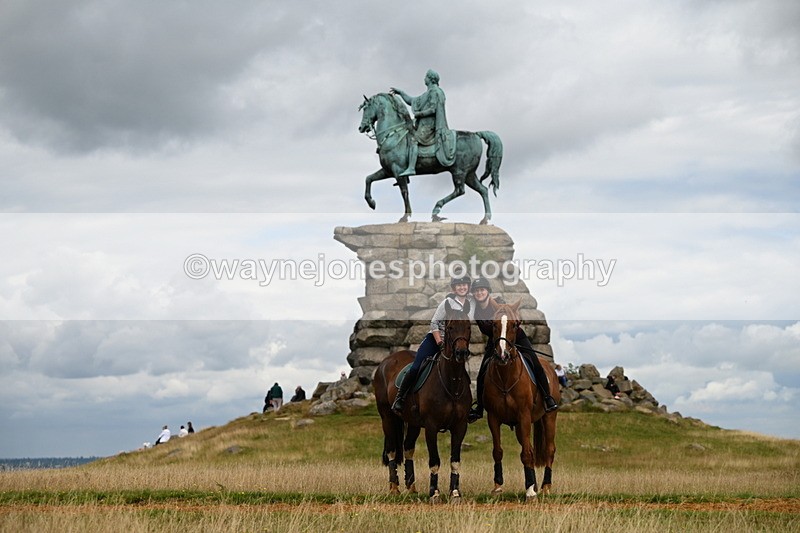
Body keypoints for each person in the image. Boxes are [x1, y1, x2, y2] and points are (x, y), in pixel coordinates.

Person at [468, 277, 558, 423]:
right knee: (482, 373)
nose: (479, 293)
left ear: (487, 291)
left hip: (515, 338)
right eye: (476, 291)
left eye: (482, 290)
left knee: (535, 363)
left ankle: (547, 398)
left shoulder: (498, 302)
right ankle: (479, 408)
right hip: (495, 342)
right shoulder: (477, 310)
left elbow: (512, 315)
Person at [392, 275, 475, 413]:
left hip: (456, 342)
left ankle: (465, 405)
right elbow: (434, 323)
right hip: (436, 339)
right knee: (416, 367)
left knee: (461, 372)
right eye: (459, 285)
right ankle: (401, 398)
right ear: (454, 289)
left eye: (464, 285)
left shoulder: (471, 303)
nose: (462, 287)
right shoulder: (447, 302)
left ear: (468, 287)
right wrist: (439, 342)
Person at [389, 69, 455, 176]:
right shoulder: (427, 93)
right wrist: (401, 93)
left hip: (430, 125)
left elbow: (433, 109)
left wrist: (420, 114)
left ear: (430, 79)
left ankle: (411, 168)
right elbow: (412, 101)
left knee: (413, 140)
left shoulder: (435, 92)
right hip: (423, 124)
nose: (424, 78)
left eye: (426, 77)